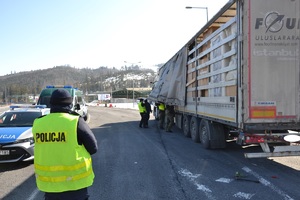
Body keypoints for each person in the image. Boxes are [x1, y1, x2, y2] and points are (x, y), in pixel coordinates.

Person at [32, 89, 98, 200]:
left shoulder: (38, 123)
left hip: (49, 185)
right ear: (69, 103)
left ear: (51, 103)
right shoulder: (75, 121)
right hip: (75, 184)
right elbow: (93, 148)